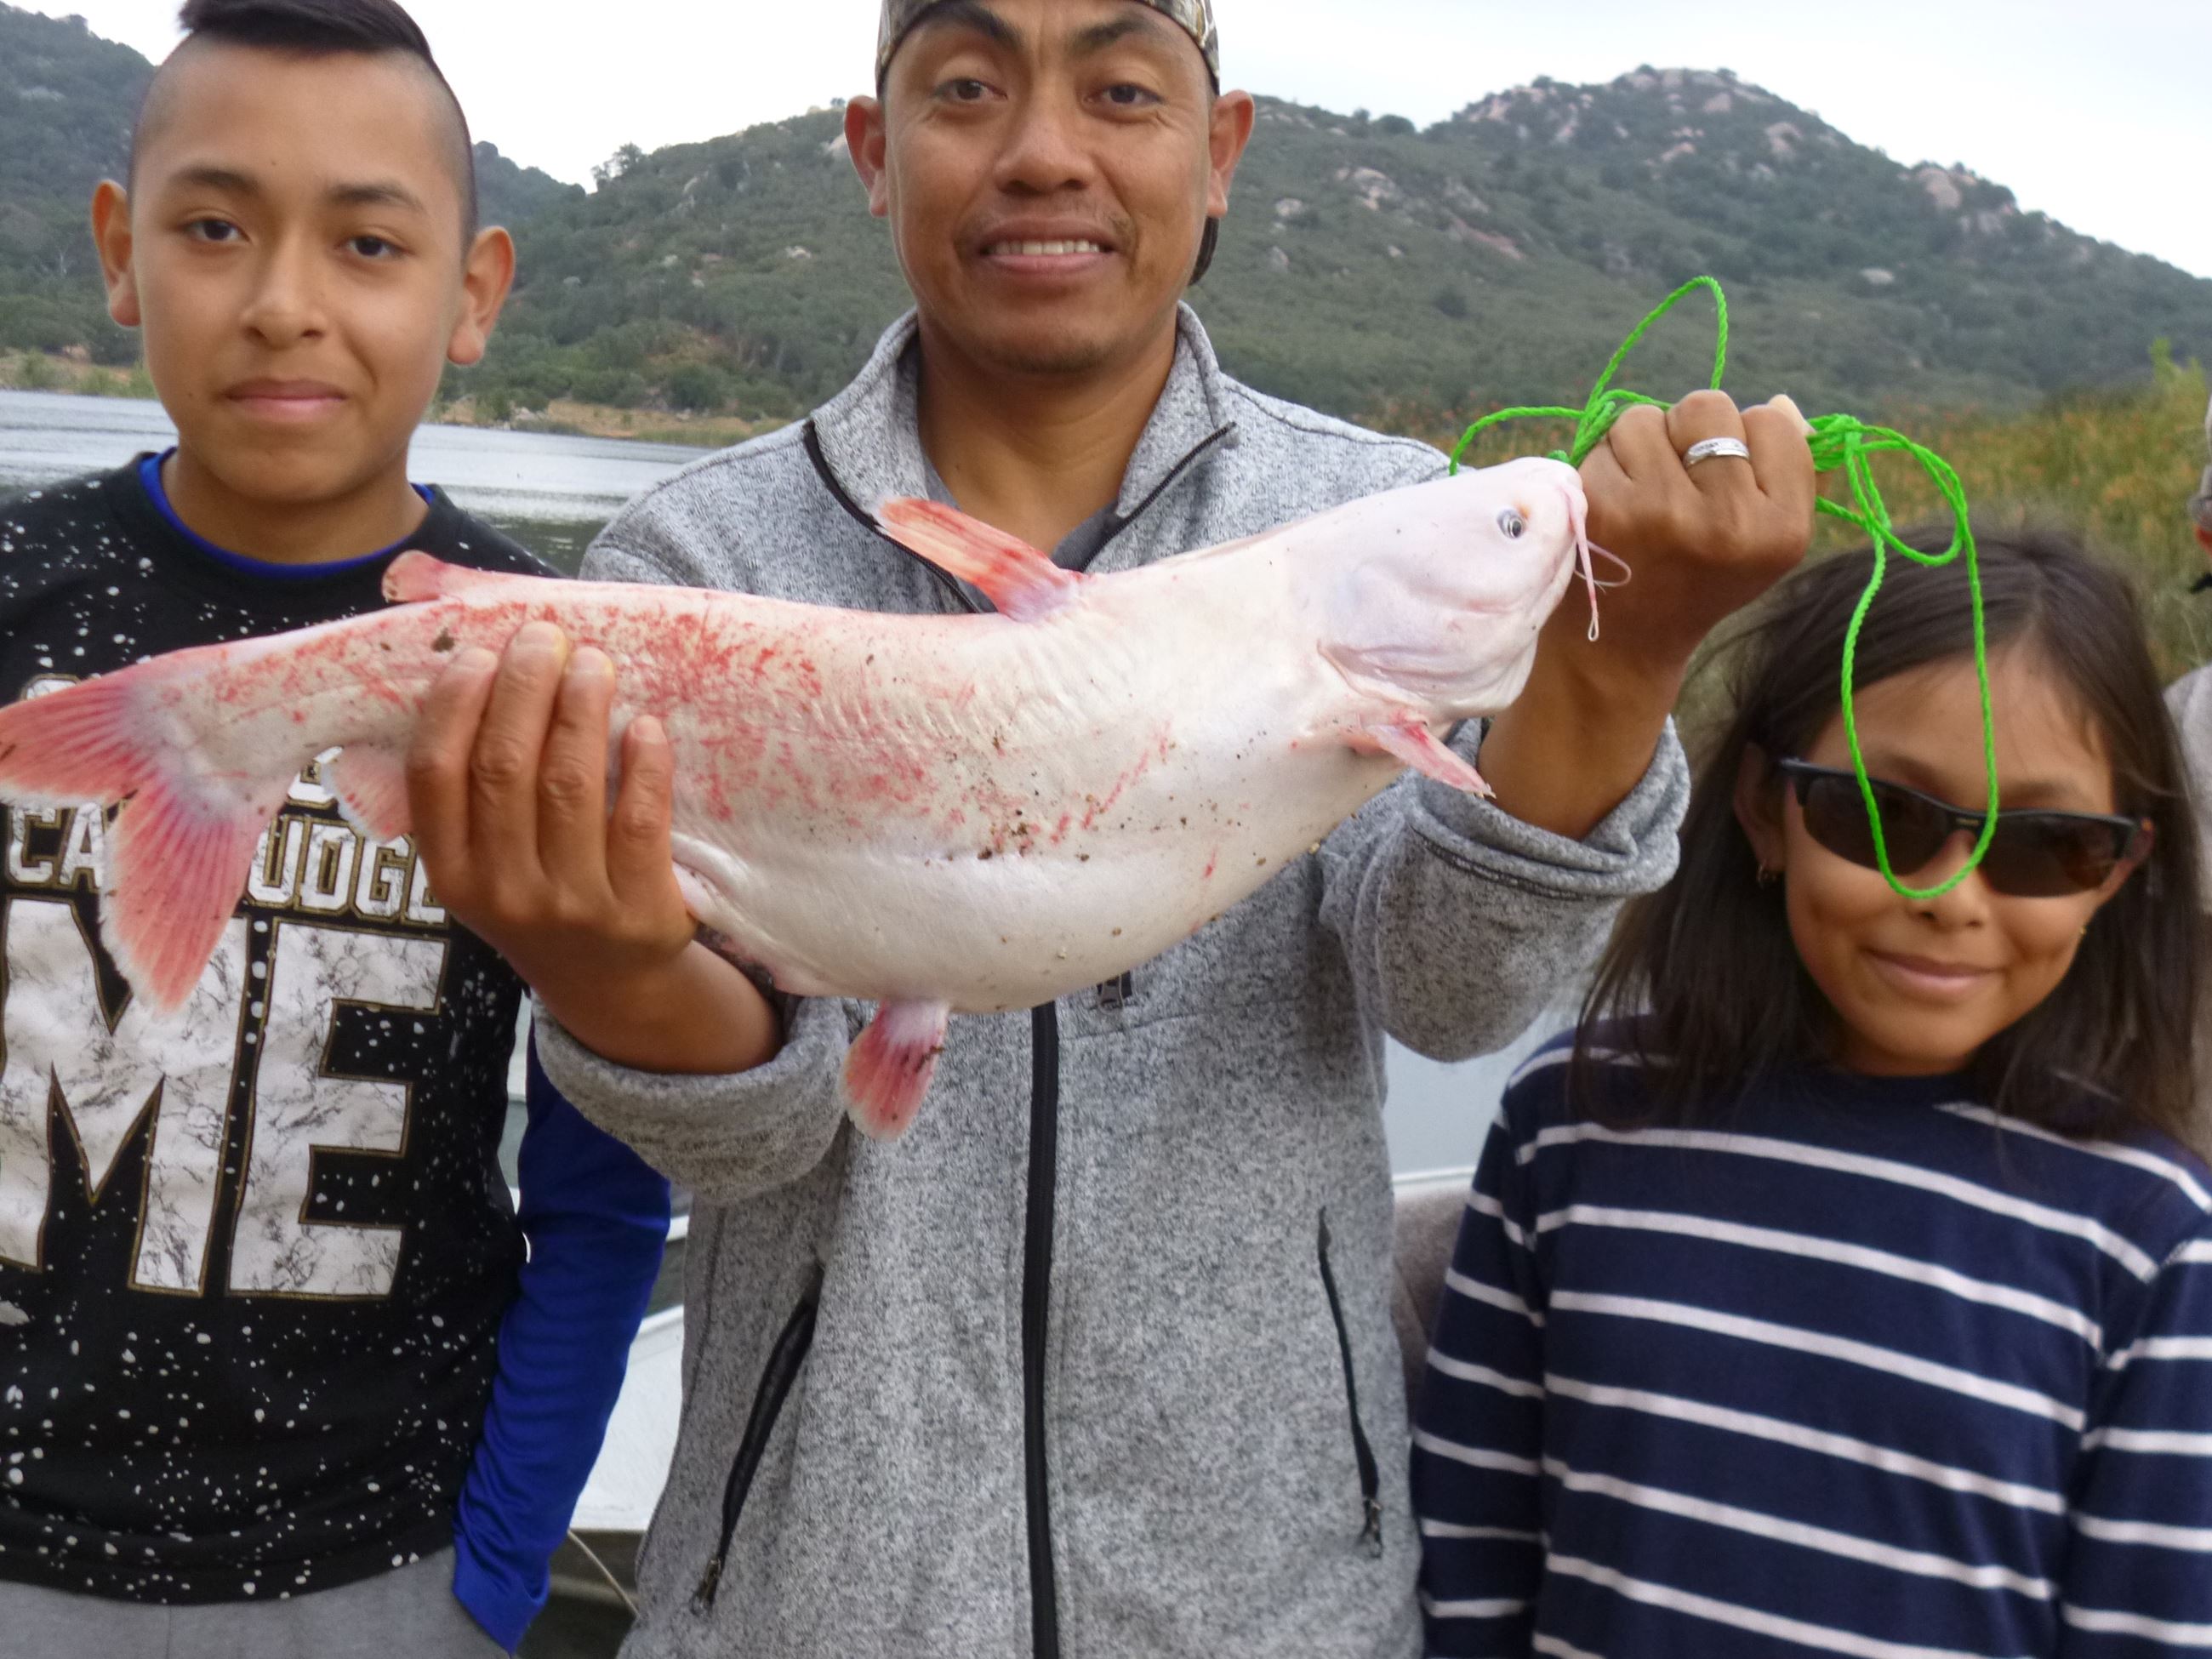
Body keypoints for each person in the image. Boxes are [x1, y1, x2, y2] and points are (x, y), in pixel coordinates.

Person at [405, 2, 1816, 1653]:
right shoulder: (695, 560)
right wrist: (596, 963)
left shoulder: (1367, 521)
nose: (1045, 149)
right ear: (877, 147)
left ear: (1219, 151)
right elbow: (744, 1140)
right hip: (808, 1604)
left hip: (1269, 1600)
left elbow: (1449, 991)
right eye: (969, 86)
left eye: (1123, 87)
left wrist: (1613, 675)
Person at [0, 3, 669, 1655]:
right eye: (215, 227)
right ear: (120, 250)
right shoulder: (18, 597)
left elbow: (604, 1185)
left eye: (368, 242)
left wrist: (495, 1576)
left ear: (473, 292)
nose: (284, 300)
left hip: (370, 1570)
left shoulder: (555, 668)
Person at [1413, 527, 2208, 1655]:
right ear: (1764, 809)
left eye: (2045, 844)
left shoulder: (2151, 1239)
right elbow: (1470, 1551)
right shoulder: (1575, 1125)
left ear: (2119, 870)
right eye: (1885, 815)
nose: (1949, 895)